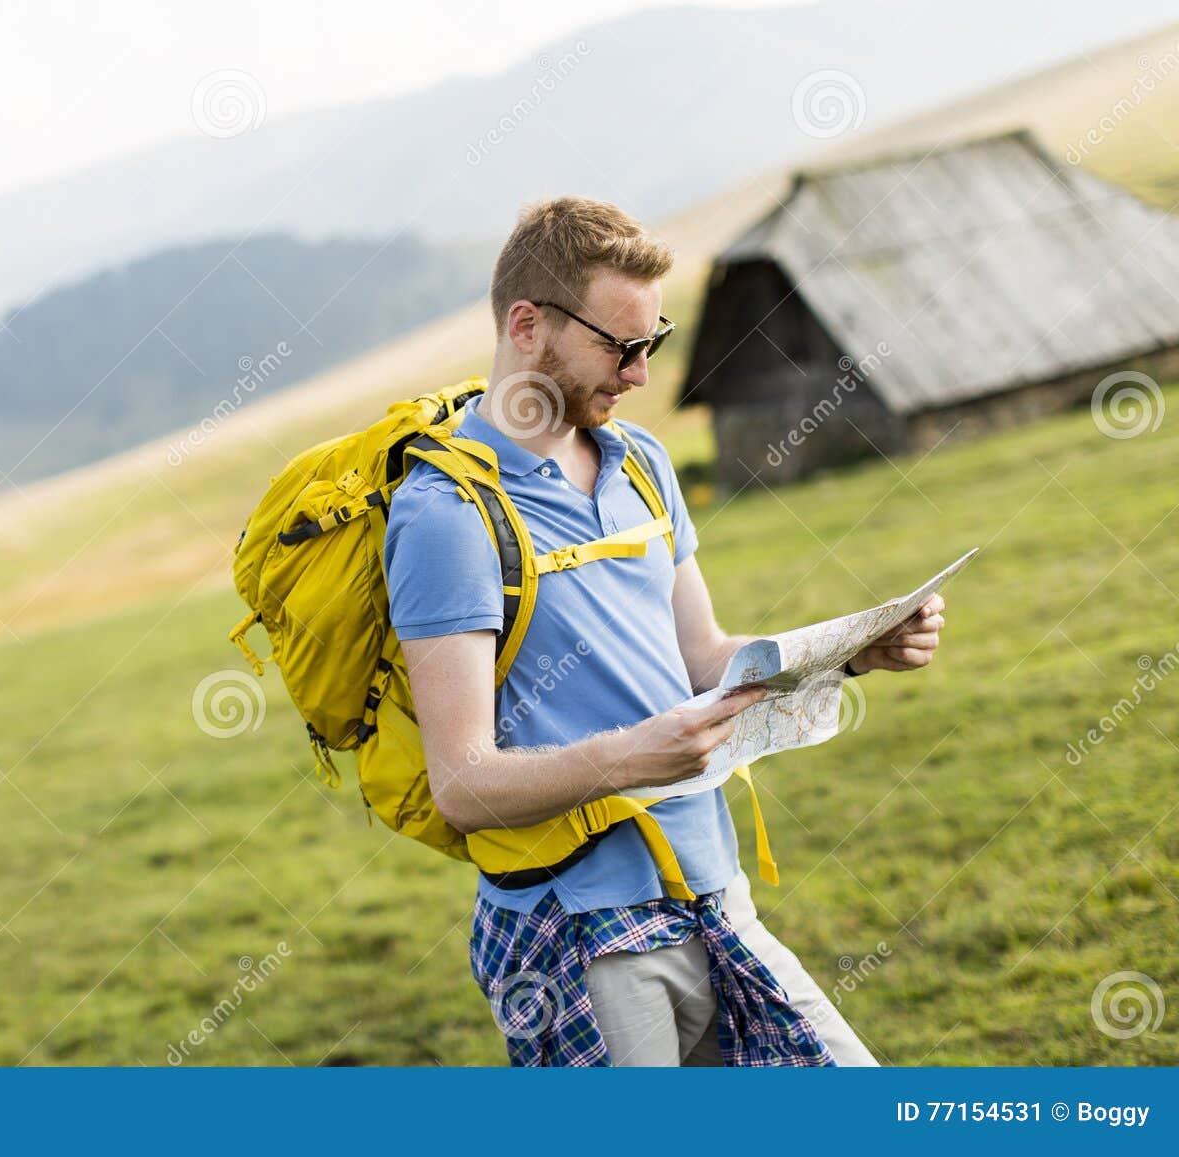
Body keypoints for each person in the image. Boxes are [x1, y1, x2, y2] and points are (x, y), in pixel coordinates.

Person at [381, 196, 946, 1067]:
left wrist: (851, 653)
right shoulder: (447, 515)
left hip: (714, 892)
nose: (642, 373)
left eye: (654, 341)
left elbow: (704, 659)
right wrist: (631, 757)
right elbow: (461, 783)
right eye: (622, 346)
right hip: (580, 938)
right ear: (528, 326)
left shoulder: (638, 463)